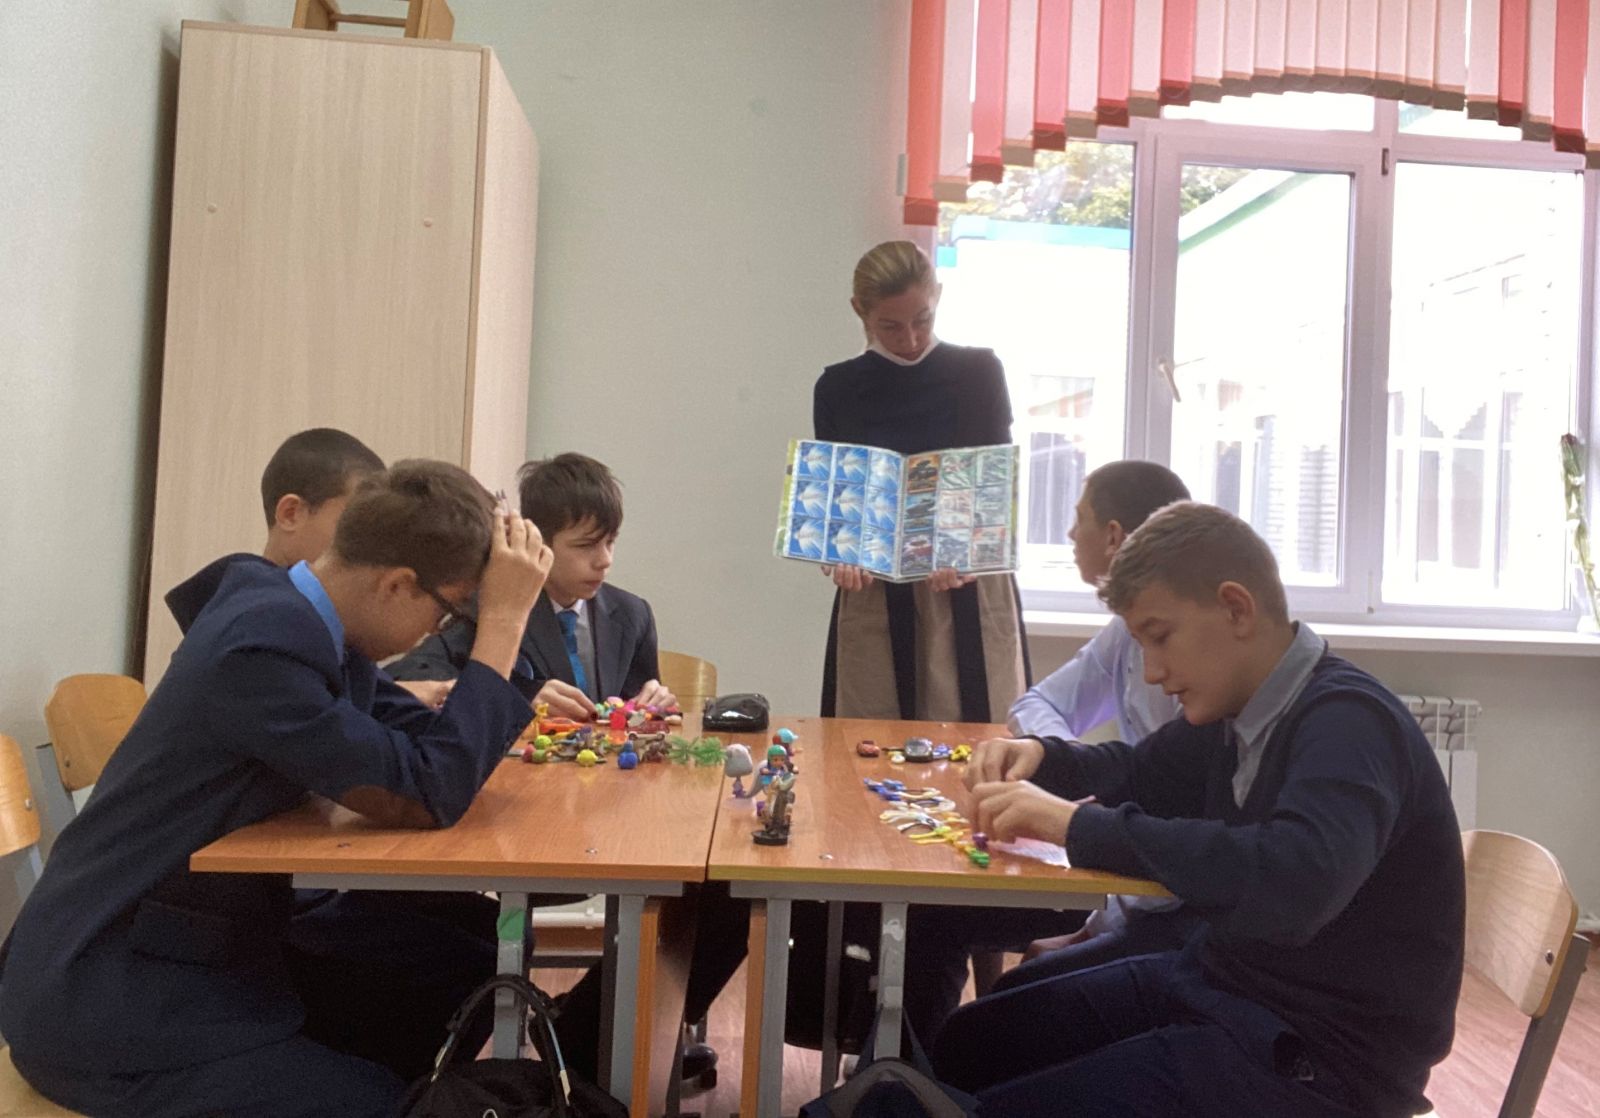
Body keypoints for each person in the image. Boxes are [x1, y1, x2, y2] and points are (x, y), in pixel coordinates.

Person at [0, 462, 552, 1117]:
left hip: (208, 933)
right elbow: (425, 791)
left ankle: (379, 1086)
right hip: (108, 990)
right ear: (399, 585)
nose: (439, 633)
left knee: (468, 951)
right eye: (448, 615)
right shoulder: (259, 646)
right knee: (376, 1100)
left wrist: (502, 691)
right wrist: (503, 625)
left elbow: (426, 750)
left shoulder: (307, 623)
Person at [931, 502, 1465, 1118]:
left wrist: (1073, 824)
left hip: (1323, 1061)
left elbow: (1294, 883)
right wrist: (1041, 757)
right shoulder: (1238, 712)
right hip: (1226, 991)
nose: (1152, 672)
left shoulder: (1349, 724)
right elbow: (1139, 772)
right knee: (971, 1042)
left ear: (1236, 608)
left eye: (1160, 638)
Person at [900, 461, 1199, 1043]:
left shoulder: (1204, 674)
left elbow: (1180, 825)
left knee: (953, 945)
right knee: (936, 911)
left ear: (1114, 536)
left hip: (1153, 901)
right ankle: (904, 1067)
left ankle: (909, 1069)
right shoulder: (1123, 634)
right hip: (1122, 878)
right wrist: (1053, 758)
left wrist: (1076, 808)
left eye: (1077, 518)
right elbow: (1039, 706)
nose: (1067, 533)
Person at [814, 240, 1027, 723]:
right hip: (876, 594)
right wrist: (842, 555)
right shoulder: (838, 388)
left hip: (968, 586)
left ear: (938, 297)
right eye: (890, 325)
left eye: (922, 320)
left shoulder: (979, 373)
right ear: (860, 311)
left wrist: (966, 550)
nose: (909, 338)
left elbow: (994, 483)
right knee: (869, 737)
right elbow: (836, 504)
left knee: (978, 731)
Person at [391, 452, 674, 718]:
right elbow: (409, 675)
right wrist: (517, 699)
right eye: (585, 545)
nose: (605, 560)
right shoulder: (492, 606)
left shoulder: (633, 614)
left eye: (610, 542)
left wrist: (655, 703)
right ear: (538, 540)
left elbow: (638, 712)